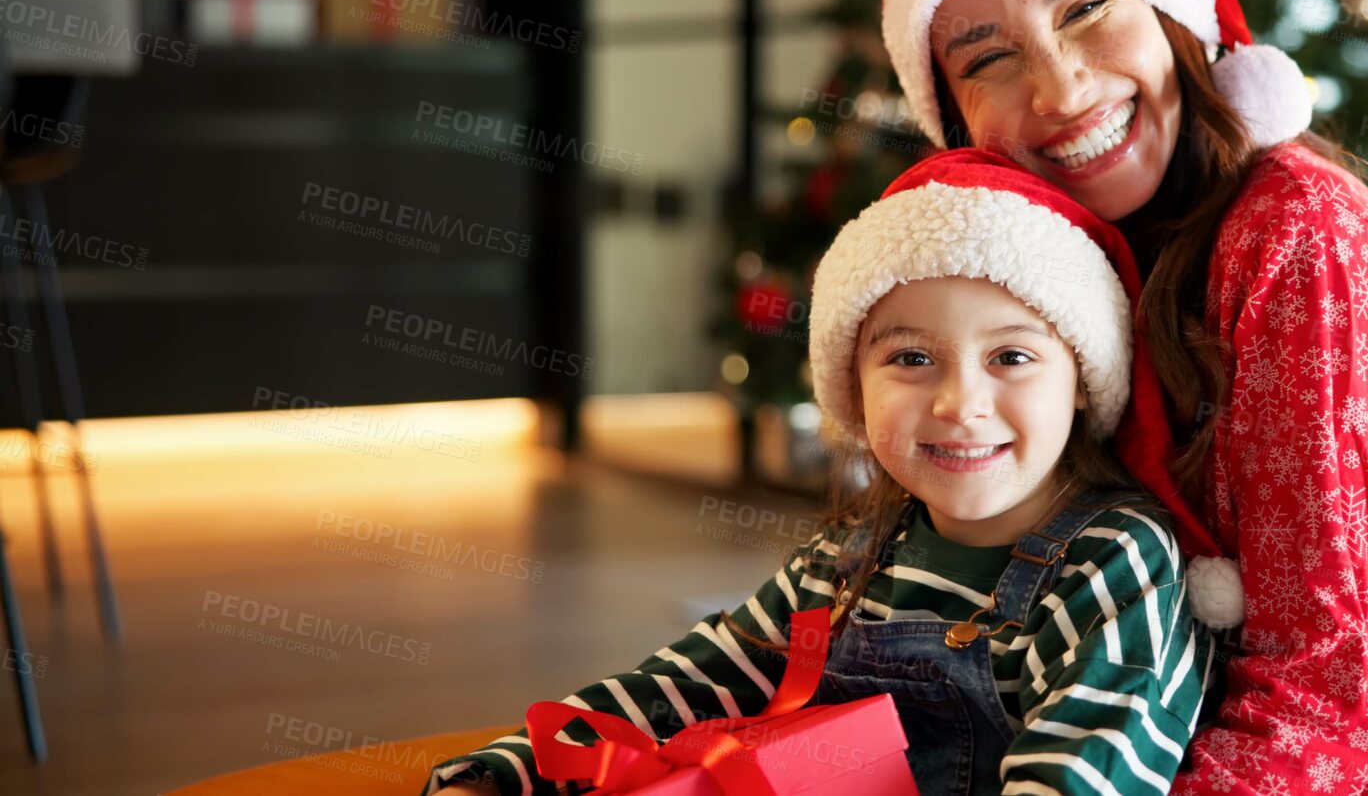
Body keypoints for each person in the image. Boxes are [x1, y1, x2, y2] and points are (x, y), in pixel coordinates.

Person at [874, 0, 1368, 794]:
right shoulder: (1045, 279)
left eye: (1085, 8)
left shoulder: (1300, 238)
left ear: (1173, 7)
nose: (1059, 86)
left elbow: (1321, 704)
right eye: (988, 57)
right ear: (954, 120)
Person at [422, 148, 1220, 796]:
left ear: (1082, 381)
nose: (959, 403)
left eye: (1010, 356)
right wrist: (504, 770)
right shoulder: (848, 559)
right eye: (910, 358)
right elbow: (684, 684)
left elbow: (1084, 770)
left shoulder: (1115, 560)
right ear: (852, 386)